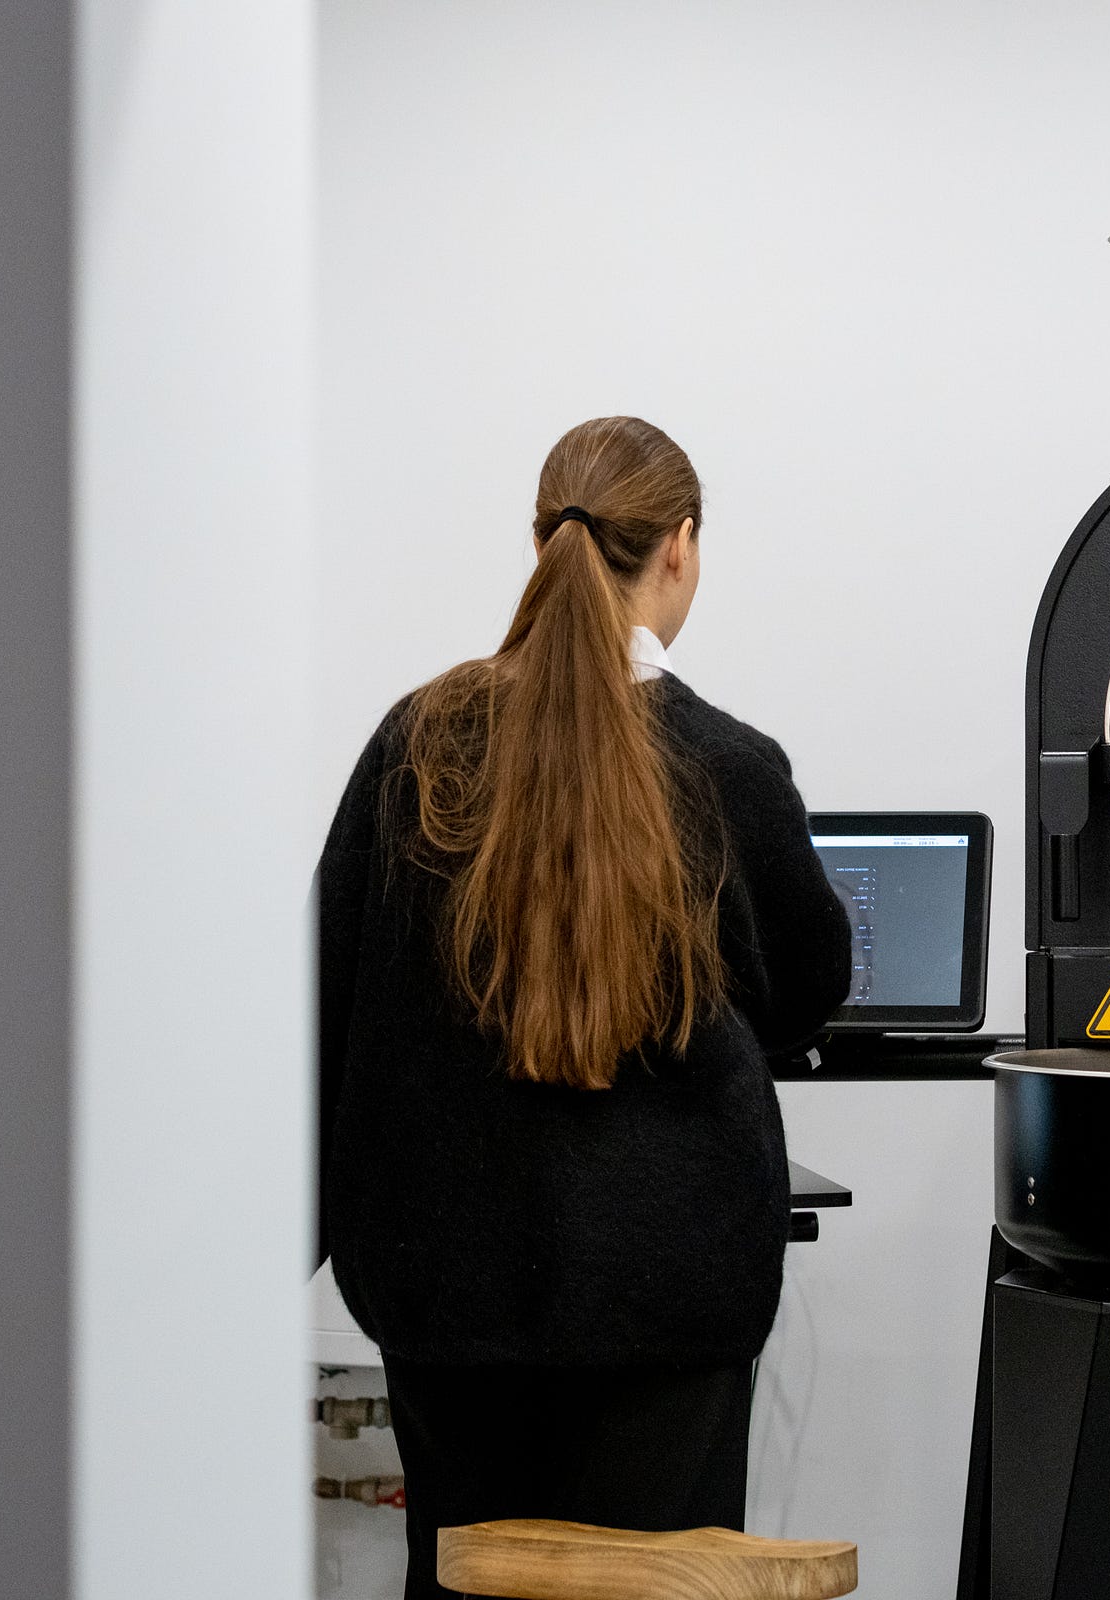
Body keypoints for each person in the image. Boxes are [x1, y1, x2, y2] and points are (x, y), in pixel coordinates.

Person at [317, 416, 853, 1599]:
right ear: (680, 547)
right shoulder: (730, 764)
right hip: (671, 1301)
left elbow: (322, 1004)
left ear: (541, 543)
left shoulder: (418, 745)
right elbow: (806, 992)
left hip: (443, 1294)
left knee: (465, 1578)